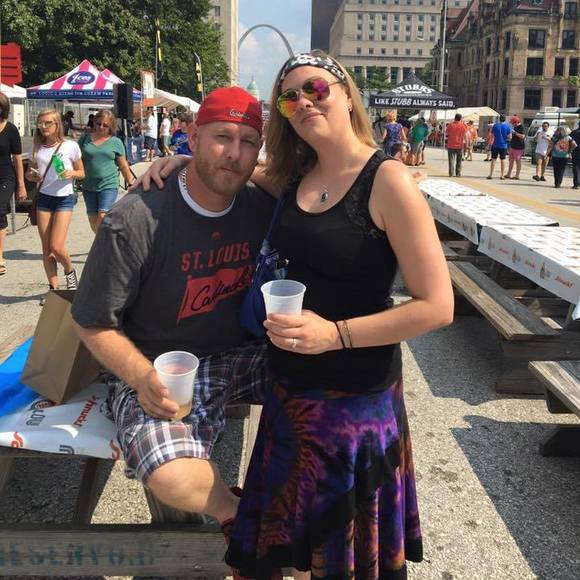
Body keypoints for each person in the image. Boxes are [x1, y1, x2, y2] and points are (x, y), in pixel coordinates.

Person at [222, 51, 453, 579]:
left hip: (354, 405)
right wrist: (177, 164)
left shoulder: (388, 180)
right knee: (291, 553)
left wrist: (335, 334)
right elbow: (238, 171)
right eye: (290, 97)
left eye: (316, 89)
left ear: (347, 94)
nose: (303, 102)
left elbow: (438, 306)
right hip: (289, 393)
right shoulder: (296, 177)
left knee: (339, 560)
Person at [70, 88, 276, 570]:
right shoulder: (136, 217)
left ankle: (325, 505)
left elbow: (320, 187)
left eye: (248, 141)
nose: (235, 153)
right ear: (193, 136)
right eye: (222, 137)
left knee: (342, 378)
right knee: (168, 472)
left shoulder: (261, 205)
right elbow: (91, 320)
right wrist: (141, 377)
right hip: (160, 364)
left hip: (243, 353)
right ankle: (239, 514)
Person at [25, 109, 84, 304]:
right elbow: (29, 173)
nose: (43, 127)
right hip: (44, 199)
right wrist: (31, 176)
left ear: (57, 124)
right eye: (40, 123)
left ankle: (70, 272)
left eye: (47, 123)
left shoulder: (70, 146)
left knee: (57, 247)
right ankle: (54, 290)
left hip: (64, 199)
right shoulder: (37, 147)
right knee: (46, 249)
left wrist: (71, 173)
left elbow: (82, 172)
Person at [78, 109, 135, 233]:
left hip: (108, 184)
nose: (101, 127)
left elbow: (123, 165)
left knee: (102, 216)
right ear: (94, 122)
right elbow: (76, 160)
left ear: (111, 126)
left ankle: (102, 243)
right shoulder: (85, 139)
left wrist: (131, 183)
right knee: (93, 220)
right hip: (88, 185)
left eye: (105, 125)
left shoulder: (116, 142)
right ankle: (102, 240)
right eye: (98, 123)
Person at [0, 92, 27, 276]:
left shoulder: (10, 129)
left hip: (5, 176)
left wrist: (21, 185)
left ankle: (0, 256)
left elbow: (17, 159)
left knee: (0, 210)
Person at [487, 115, 512, 180]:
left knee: (493, 159)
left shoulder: (495, 126)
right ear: (505, 119)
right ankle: (502, 175)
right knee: (503, 160)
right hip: (503, 145)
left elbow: (492, 135)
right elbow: (510, 137)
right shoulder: (507, 127)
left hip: (495, 144)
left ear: (499, 119)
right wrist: (505, 139)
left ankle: (490, 174)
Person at [445, 113, 467, 177]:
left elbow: (447, 134)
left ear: (455, 118)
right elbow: (465, 136)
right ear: (460, 119)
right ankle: (458, 173)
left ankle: (451, 173)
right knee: (459, 160)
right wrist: (466, 145)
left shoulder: (450, 125)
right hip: (460, 145)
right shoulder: (463, 126)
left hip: (451, 145)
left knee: (451, 160)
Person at [505, 115, 525, 180]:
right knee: (511, 160)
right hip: (513, 146)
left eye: (512, 123)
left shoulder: (521, 127)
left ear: (516, 122)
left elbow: (523, 136)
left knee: (518, 161)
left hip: (519, 147)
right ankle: (508, 174)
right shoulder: (515, 127)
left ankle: (517, 175)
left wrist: (515, 132)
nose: (512, 124)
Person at [571, 121, 580, 190]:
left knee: (576, 167)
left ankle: (576, 184)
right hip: (576, 151)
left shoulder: (574, 132)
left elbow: (569, 141)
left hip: (576, 151)